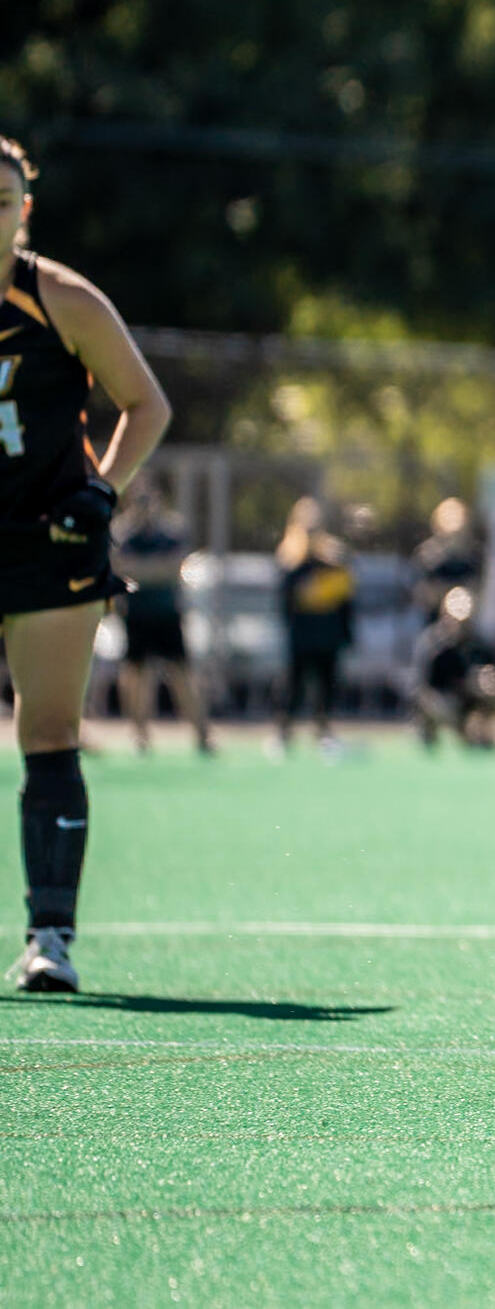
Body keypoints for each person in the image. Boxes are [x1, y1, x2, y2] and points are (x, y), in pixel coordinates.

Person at [0, 135, 174, 994]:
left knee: (48, 733)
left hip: (50, 546)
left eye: (2, 202)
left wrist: (101, 491)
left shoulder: (59, 297)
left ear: (23, 209)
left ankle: (49, 936)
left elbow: (147, 404)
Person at [111, 476, 214, 756]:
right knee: (136, 675)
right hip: (136, 614)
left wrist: (144, 571)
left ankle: (202, 735)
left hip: (167, 614)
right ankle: (140, 736)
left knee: (182, 673)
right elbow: (121, 568)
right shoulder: (123, 533)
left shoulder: (172, 531)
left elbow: (174, 568)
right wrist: (152, 570)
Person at [272, 497, 356, 758]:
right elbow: (289, 597)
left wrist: (346, 633)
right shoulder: (290, 558)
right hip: (303, 634)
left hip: (327, 633)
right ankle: (284, 732)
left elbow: (345, 597)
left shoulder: (333, 557)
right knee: (294, 685)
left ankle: (324, 731)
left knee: (327, 684)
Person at [413, 585, 495, 750]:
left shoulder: (478, 644)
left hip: (470, 700)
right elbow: (425, 686)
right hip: (442, 698)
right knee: (432, 704)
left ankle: (480, 729)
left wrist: (487, 686)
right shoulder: (433, 644)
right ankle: (431, 731)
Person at [409, 497, 481, 620]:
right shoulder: (428, 555)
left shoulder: (474, 556)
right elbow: (421, 593)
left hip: (469, 625)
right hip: (434, 621)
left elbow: (480, 589)